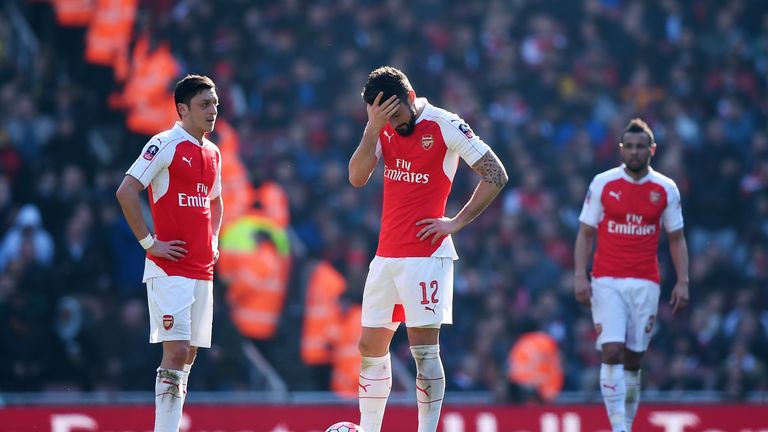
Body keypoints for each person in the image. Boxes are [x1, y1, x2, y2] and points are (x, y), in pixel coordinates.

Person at [349, 66, 508, 432]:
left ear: (410, 97)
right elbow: (357, 178)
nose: (396, 125)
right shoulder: (381, 123)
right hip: (386, 254)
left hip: (426, 256)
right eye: (385, 118)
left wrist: (456, 222)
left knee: (423, 351)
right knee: (369, 347)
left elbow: (496, 174)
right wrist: (373, 128)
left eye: (398, 115)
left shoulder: (445, 124)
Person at [115, 74, 222, 432]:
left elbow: (216, 200)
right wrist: (150, 243)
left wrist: (215, 240)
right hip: (170, 268)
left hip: (201, 269)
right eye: (205, 104)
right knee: (175, 352)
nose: (213, 111)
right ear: (182, 109)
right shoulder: (164, 144)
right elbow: (126, 191)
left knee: (188, 355)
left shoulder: (212, 152)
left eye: (215, 104)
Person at [574, 118, 690, 432]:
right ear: (621, 149)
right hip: (607, 278)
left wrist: (683, 281)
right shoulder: (603, 183)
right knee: (611, 350)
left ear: (652, 150)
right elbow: (585, 233)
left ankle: (626, 422)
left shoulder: (665, 189)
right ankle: (618, 427)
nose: (635, 152)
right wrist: (579, 276)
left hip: (646, 281)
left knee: (634, 359)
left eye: (642, 147)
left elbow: (676, 238)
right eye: (630, 147)